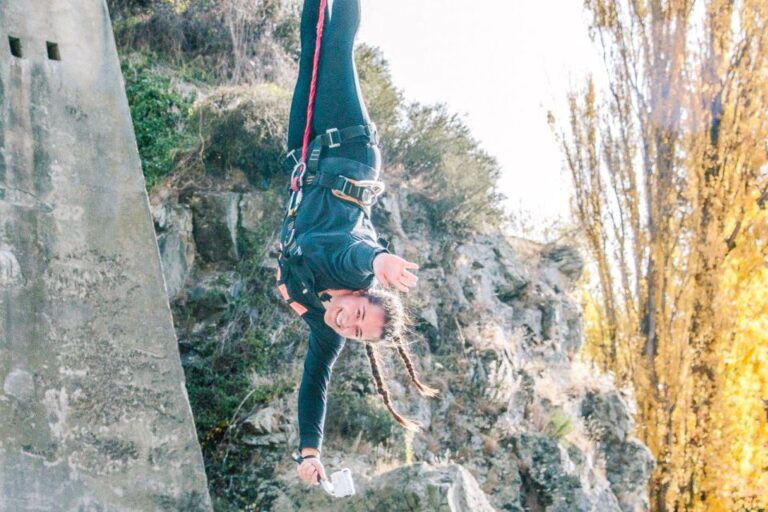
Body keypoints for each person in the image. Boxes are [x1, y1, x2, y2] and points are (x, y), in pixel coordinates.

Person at [276, 0, 438, 488]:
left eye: (357, 332)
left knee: (310, 49)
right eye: (360, 314)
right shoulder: (355, 271)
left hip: (308, 156)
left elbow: (315, 386)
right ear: (364, 293)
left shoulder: (328, 328)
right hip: (348, 150)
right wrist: (381, 258)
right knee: (338, 44)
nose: (348, 323)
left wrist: (309, 452)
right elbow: (349, 251)